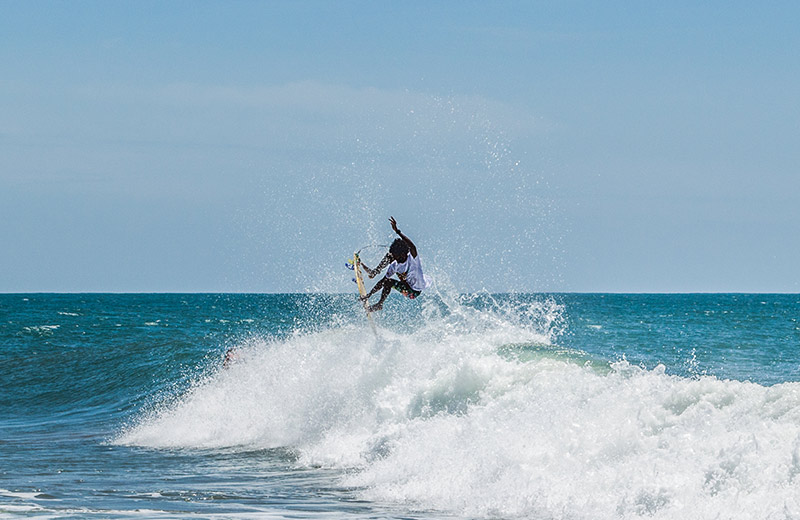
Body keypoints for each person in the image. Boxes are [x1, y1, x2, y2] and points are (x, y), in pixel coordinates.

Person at [360, 216, 431, 312]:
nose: (395, 259)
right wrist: (369, 295)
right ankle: (374, 272)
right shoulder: (394, 265)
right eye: (395, 256)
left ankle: (379, 304)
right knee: (388, 265)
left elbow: (412, 246)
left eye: (397, 256)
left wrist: (397, 231)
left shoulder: (413, 259)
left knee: (389, 281)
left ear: (403, 254)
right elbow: (382, 281)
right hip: (405, 283)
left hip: (413, 292)